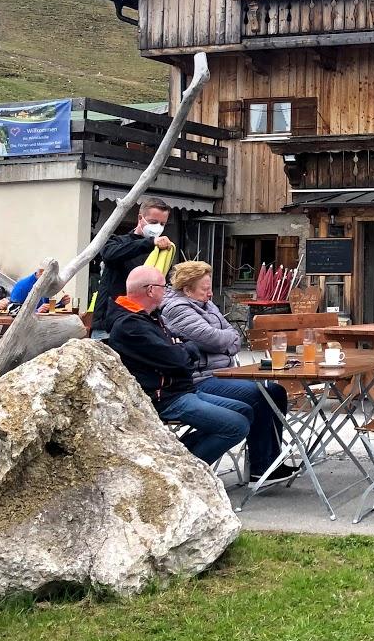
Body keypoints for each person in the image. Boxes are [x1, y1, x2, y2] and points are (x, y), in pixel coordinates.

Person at [160, 260, 297, 482]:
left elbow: (234, 336)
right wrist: (226, 341)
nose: (210, 294)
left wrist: (226, 341)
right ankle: (262, 466)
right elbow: (213, 338)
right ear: (187, 290)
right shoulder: (178, 309)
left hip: (222, 373)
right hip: (200, 379)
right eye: (205, 289)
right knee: (261, 395)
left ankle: (270, 461)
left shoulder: (206, 305)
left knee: (275, 391)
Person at [108, 265, 250, 467]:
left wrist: (181, 348)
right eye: (163, 286)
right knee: (236, 425)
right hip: (165, 399)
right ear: (150, 290)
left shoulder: (150, 316)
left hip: (182, 390)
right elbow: (178, 360)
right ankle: (183, 470)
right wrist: (185, 349)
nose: (167, 291)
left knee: (245, 410)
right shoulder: (130, 325)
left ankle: (176, 460)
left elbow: (180, 349)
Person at [91, 197, 173, 336]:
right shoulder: (117, 242)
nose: (158, 227)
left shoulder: (160, 251)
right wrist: (150, 243)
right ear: (140, 218)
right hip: (109, 324)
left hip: (141, 323)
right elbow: (109, 254)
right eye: (153, 222)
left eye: (162, 224)